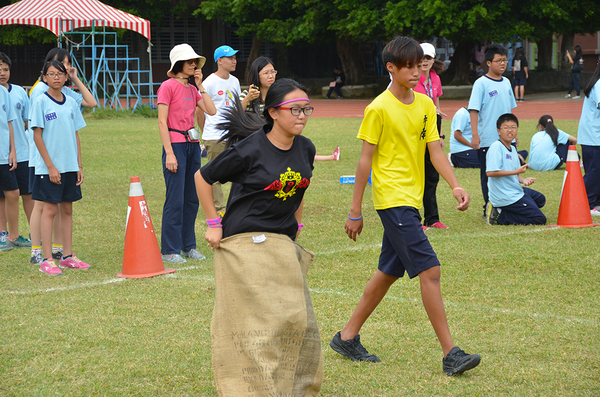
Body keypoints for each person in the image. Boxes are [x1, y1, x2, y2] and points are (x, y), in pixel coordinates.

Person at [329, 36, 480, 376]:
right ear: (391, 68)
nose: (416, 71)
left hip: (411, 200)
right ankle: (450, 353)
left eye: (420, 65)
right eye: (409, 66)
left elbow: (436, 150)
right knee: (430, 270)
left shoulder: (426, 105)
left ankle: (346, 336)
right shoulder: (378, 108)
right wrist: (356, 210)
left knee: (388, 272)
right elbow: (365, 161)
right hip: (392, 200)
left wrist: (455, 185)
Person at [196, 79, 322, 393]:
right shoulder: (250, 149)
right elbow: (203, 176)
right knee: (259, 326)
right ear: (273, 113)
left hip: (281, 243)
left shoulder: (306, 148)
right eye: (295, 109)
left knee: (295, 321)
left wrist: (297, 228)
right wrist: (214, 223)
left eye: (306, 109)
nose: (302, 115)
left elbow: (300, 188)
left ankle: (293, 386)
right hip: (244, 242)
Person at [28, 48, 97, 265]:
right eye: (52, 73)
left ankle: (67, 256)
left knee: (67, 209)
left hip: (69, 166)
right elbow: (37, 135)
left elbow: (75, 134)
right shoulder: (40, 99)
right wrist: (50, 166)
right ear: (44, 76)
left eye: (61, 72)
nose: (57, 77)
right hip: (48, 167)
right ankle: (45, 258)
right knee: (48, 209)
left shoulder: (70, 101)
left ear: (67, 77)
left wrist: (79, 165)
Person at [157, 43, 216, 263]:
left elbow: (211, 110)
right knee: (175, 199)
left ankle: (187, 246)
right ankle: (169, 250)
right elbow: (162, 123)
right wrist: (170, 154)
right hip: (176, 145)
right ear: (178, 64)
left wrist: (200, 85)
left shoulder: (192, 89)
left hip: (192, 145)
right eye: (190, 61)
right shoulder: (167, 86)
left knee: (192, 198)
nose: (194, 65)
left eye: (196, 62)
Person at [240, 56, 340, 161]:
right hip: (253, 139)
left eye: (273, 72)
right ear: (257, 75)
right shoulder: (247, 94)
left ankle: (330, 157)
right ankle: (330, 157)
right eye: (266, 73)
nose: (270, 76)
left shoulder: (278, 95)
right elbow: (235, 115)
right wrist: (248, 99)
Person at [468, 43, 517, 218]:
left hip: (506, 139)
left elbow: (509, 111)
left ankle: (505, 204)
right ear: (488, 63)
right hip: (488, 138)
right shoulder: (481, 84)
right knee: (488, 174)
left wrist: (513, 135)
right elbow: (474, 110)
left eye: (505, 60)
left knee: (508, 171)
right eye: (499, 61)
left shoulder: (507, 82)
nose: (503, 64)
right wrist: (475, 135)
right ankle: (489, 206)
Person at [199, 45, 242, 216]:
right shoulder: (208, 82)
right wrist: (206, 133)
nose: (234, 61)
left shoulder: (235, 82)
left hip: (232, 135)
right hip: (214, 136)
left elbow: (237, 108)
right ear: (219, 61)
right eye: (230, 58)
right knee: (215, 175)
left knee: (238, 171)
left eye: (234, 57)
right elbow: (199, 110)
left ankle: (237, 205)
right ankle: (220, 210)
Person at [486, 114, 546, 225]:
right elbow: (491, 173)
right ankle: (500, 214)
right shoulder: (496, 147)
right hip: (505, 195)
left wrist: (523, 180)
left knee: (540, 199)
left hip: (514, 189)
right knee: (539, 219)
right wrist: (516, 172)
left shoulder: (512, 148)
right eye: (506, 128)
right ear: (499, 131)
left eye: (513, 127)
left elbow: (514, 173)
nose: (510, 131)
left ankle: (516, 207)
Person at [0, 53, 32, 251]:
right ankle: (6, 235)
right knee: (5, 195)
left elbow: (27, 121)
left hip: (22, 152)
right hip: (4, 154)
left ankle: (34, 233)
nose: (2, 73)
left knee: (28, 194)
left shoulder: (19, 92)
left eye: (5, 69)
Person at [414, 42, 448, 229]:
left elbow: (437, 105)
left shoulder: (435, 79)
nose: (424, 61)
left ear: (434, 59)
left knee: (432, 176)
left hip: (433, 128)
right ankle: (415, 220)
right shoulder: (411, 79)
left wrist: (440, 136)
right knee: (418, 176)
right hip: (417, 130)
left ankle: (432, 218)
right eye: (421, 58)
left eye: (428, 57)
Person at [577, 58, 600, 216]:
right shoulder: (599, 84)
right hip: (593, 136)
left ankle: (596, 202)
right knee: (593, 171)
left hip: (594, 136)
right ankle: (587, 202)